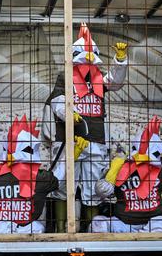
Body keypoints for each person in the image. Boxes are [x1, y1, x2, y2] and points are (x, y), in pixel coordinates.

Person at [46, 24, 128, 229]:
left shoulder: (99, 79)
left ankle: (91, 229)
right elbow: (56, 100)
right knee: (62, 185)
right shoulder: (65, 77)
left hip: (96, 141)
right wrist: (68, 113)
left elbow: (116, 82)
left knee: (93, 189)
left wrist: (120, 60)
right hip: (69, 140)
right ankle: (61, 227)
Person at [0, 116, 77, 234]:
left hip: (13, 229)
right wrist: (70, 159)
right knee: (37, 227)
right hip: (12, 229)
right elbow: (59, 178)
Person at [90, 107, 162, 233]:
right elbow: (101, 193)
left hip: (154, 223)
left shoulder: (161, 167)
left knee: (161, 225)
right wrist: (109, 178)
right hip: (124, 223)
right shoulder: (120, 166)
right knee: (98, 223)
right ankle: (138, 240)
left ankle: (138, 241)